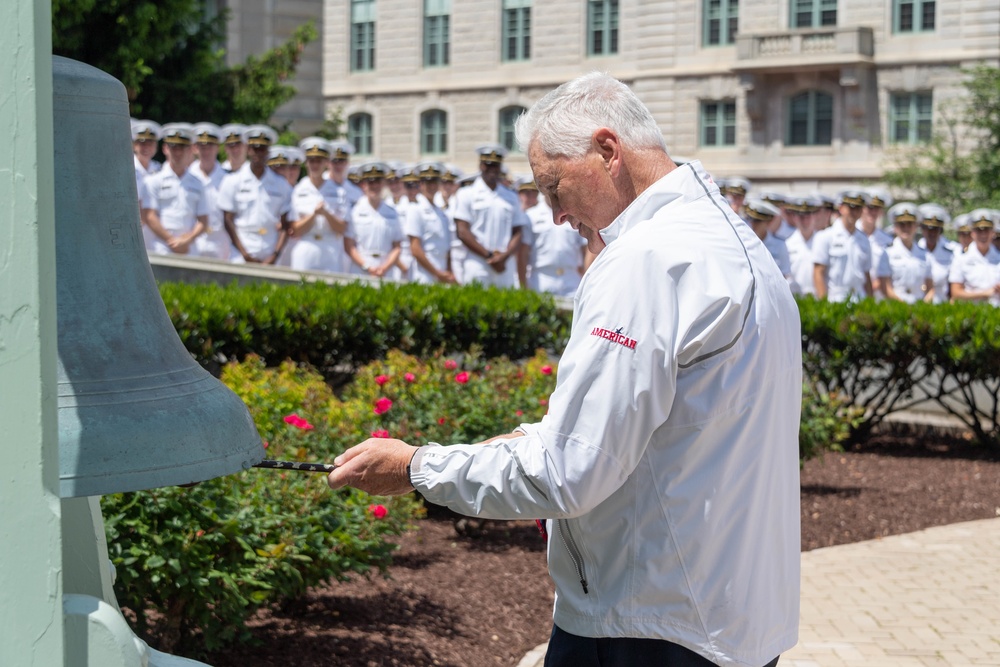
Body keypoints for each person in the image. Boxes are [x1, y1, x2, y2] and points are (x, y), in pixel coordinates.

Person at [327, 72, 800, 667]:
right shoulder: (728, 238)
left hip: (645, 625)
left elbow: (570, 472)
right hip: (728, 617)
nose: (553, 215)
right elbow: (660, 431)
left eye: (553, 187)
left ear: (608, 151)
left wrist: (418, 467)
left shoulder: (646, 260)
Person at [453, 144, 527, 287]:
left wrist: (504, 257)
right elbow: (462, 231)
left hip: (504, 265)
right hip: (477, 263)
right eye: (488, 164)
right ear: (481, 166)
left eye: (496, 165)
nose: (492, 169)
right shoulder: (467, 194)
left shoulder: (511, 197)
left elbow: (518, 231)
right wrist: (489, 256)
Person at [217, 124, 292, 265]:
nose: (258, 154)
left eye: (262, 149)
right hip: (241, 250)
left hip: (270, 250)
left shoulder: (281, 184)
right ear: (248, 150)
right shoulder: (233, 180)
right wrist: (244, 253)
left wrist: (275, 255)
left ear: (268, 152)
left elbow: (285, 224)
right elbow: (227, 220)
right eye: (255, 149)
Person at [140, 123, 208, 256]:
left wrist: (187, 240)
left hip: (189, 245)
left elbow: (203, 221)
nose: (177, 152)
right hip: (160, 245)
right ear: (165, 149)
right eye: (173, 147)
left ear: (189, 150)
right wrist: (171, 240)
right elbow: (149, 216)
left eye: (182, 147)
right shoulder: (153, 181)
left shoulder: (198, 183)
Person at [286, 137, 349, 273]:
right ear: (306, 163)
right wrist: (314, 215)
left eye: (319, 161)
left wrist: (326, 213)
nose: (315, 165)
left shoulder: (338, 191)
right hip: (306, 245)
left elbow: (342, 228)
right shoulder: (299, 189)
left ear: (326, 163)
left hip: (330, 245)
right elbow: (294, 229)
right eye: (311, 161)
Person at [344, 161, 403, 279]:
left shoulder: (392, 213)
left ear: (383, 184)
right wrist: (367, 267)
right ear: (364, 184)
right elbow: (349, 246)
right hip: (360, 269)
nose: (374, 186)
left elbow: (397, 246)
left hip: (385, 271)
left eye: (378, 182)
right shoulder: (354, 211)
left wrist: (384, 268)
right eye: (371, 182)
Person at [812, 190, 874, 301]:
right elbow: (818, 273)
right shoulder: (825, 236)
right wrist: (823, 304)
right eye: (851, 208)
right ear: (841, 208)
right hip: (835, 299)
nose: (854, 212)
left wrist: (871, 302)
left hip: (860, 297)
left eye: (858, 208)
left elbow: (866, 275)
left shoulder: (864, 239)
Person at [402, 162, 456, 284]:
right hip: (424, 274)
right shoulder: (415, 209)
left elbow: (446, 248)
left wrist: (448, 272)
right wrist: (437, 273)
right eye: (428, 182)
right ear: (420, 184)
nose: (431, 186)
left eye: (434, 182)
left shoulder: (442, 213)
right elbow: (415, 248)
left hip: (442, 273)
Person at [190, 122, 232, 260]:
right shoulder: (188, 175)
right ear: (196, 148)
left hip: (221, 239)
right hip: (193, 238)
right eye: (202, 147)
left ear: (217, 148)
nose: (206, 151)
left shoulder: (228, 178)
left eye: (210, 147)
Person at [876, 202, 934, 304]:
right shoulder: (887, 253)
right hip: (895, 307)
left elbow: (930, 288)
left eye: (909, 224)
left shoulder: (925, 255)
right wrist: (903, 306)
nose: (906, 228)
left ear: (916, 226)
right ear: (895, 227)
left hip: (919, 307)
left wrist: (923, 305)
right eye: (902, 225)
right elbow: (885, 287)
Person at [949, 209, 1000, 306]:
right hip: (972, 314)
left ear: (993, 233)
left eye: (987, 230)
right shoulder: (961, 258)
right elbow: (955, 293)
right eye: (979, 231)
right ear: (972, 233)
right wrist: (984, 294)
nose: (983, 235)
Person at [741, 197, 792, 280]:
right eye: (751, 219)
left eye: (758, 221)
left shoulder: (779, 245)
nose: (754, 224)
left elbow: (784, 275)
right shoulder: (743, 242)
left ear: (768, 222)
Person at [916, 203, 954, 304]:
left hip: (942, 305)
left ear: (940, 231)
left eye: (935, 230)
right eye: (928, 229)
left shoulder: (950, 255)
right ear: (922, 229)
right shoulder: (915, 251)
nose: (931, 234)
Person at [784, 196, 820, 296]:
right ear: (795, 218)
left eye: (808, 217)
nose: (805, 221)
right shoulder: (788, 244)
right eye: (801, 217)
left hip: (819, 297)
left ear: (814, 217)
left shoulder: (822, 241)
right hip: (796, 297)